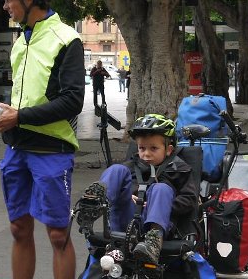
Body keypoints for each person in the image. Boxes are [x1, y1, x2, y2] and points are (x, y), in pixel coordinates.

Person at [0, 0, 85, 279]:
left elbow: (72, 101)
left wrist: (20, 116)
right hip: (17, 149)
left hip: (52, 151)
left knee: (58, 235)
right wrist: (7, 114)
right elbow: (24, 95)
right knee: (17, 228)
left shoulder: (67, 39)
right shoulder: (20, 40)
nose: (6, 5)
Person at [77, 114, 198, 268]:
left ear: (169, 150)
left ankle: (153, 241)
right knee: (116, 169)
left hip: (157, 226)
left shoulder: (179, 169)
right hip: (126, 223)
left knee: (160, 188)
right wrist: (129, 196)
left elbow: (190, 199)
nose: (146, 154)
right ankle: (94, 204)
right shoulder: (131, 166)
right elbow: (122, 189)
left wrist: (158, 205)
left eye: (153, 148)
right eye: (142, 148)